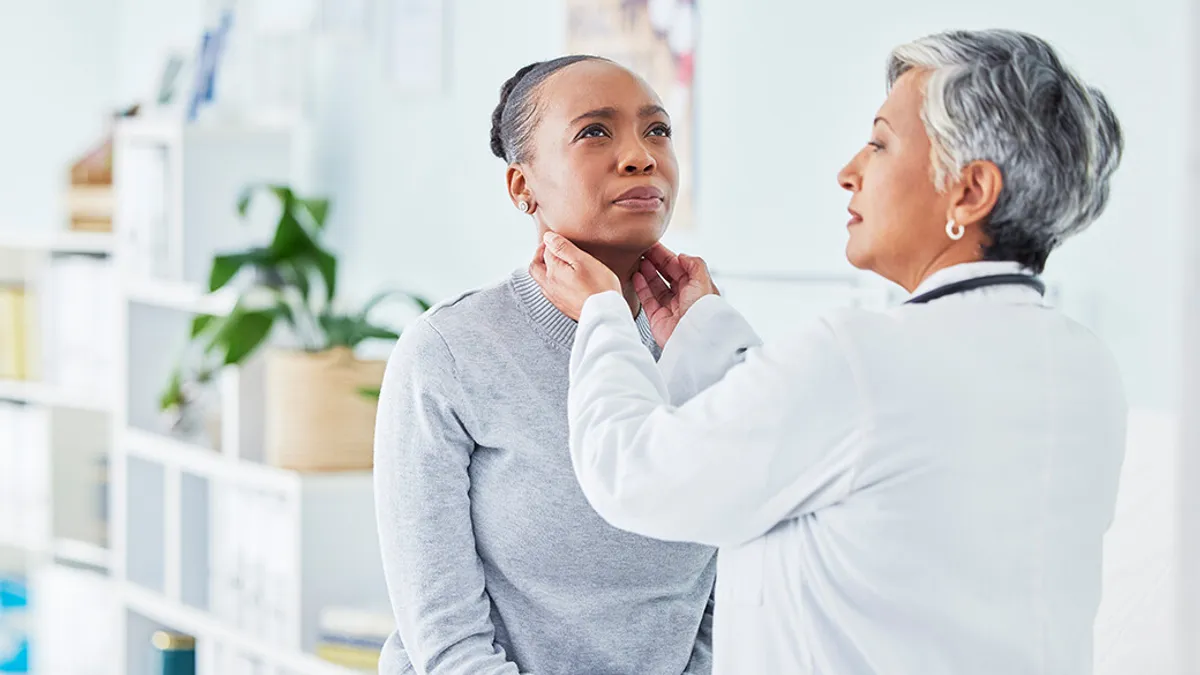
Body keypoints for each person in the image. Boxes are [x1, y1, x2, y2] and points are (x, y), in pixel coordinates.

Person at [531, 29, 1126, 675]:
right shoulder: (1081, 362)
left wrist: (602, 315)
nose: (850, 170)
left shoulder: (865, 357)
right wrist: (701, 330)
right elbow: (830, 462)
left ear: (970, 191)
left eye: (879, 142)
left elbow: (633, 473)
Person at [372, 55, 716, 675]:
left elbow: (725, 595)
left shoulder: (702, 341)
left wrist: (711, 345)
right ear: (522, 187)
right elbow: (447, 643)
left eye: (657, 130)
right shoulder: (449, 353)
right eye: (594, 132)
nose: (640, 156)